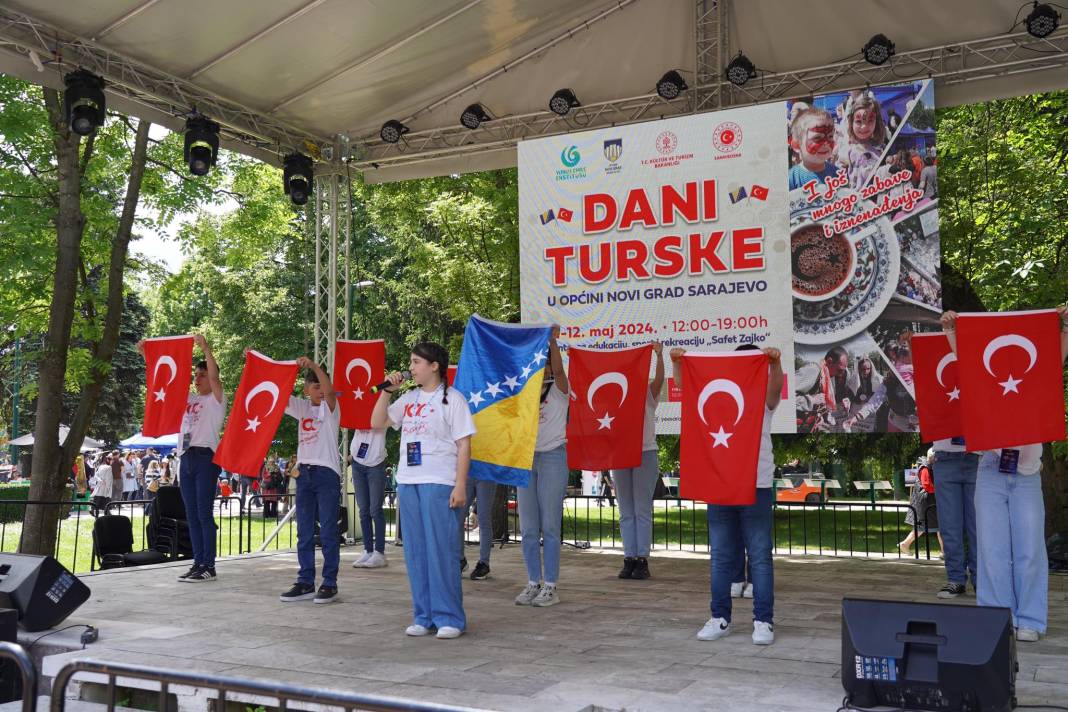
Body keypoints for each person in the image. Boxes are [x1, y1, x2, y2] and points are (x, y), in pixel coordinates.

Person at [941, 307, 1068, 642]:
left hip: (1026, 473)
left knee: (1029, 550)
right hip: (991, 469)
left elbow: (1056, 357)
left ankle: (1030, 619)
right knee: (992, 550)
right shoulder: (986, 378)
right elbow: (968, 361)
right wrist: (953, 330)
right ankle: (997, 619)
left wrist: (1064, 325)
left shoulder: (1039, 376)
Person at [672, 343, 784, 646]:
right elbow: (689, 388)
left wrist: (774, 364)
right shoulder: (720, 397)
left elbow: (776, 389)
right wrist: (678, 365)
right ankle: (719, 617)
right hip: (720, 483)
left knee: (759, 556)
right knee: (721, 556)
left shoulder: (762, 398)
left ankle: (763, 620)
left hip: (756, 484)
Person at [371, 342, 476, 640]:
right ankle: (424, 615)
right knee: (415, 552)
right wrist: (386, 391)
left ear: (434, 366)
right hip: (409, 480)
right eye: (411, 362)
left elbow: (464, 444)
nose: (411, 367)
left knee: (441, 550)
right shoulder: (408, 398)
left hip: (440, 480)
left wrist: (459, 484)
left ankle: (450, 617)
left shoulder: (453, 399)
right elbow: (377, 422)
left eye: (417, 362)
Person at [140, 334, 226, 583]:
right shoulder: (188, 399)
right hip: (185, 458)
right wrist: (146, 354)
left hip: (205, 458)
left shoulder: (217, 399)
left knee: (203, 513)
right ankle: (197, 562)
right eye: (195, 376)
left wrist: (205, 347)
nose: (197, 379)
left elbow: (214, 377)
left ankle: (208, 564)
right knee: (191, 514)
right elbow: (162, 382)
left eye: (202, 375)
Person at [278, 358, 342, 605]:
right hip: (303, 474)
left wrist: (315, 367)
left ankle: (329, 582)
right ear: (305, 390)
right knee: (304, 531)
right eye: (313, 388)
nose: (319, 392)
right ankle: (305, 580)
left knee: (328, 530)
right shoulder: (301, 407)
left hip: (326, 473)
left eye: (322, 388)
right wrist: (265, 366)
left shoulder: (331, 408)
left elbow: (329, 390)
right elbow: (279, 396)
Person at [515, 326, 569, 607]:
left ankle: (550, 586)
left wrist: (552, 342)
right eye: (540, 362)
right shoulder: (526, 392)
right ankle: (532, 582)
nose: (544, 367)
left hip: (552, 457)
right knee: (528, 527)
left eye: (546, 362)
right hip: (526, 459)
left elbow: (559, 372)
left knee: (549, 525)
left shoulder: (560, 389)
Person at [611, 342, 664, 580]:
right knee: (625, 509)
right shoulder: (616, 396)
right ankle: (628, 557)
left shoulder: (647, 392)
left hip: (645, 453)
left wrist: (659, 356)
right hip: (621, 454)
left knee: (641, 508)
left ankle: (642, 559)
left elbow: (660, 380)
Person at [929, 438, 979, 599]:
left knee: (978, 527)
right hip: (944, 458)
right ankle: (956, 579)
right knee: (950, 526)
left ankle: (981, 580)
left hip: (977, 456)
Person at [350, 417, 389, 569]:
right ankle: (368, 550)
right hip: (357, 462)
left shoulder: (382, 404)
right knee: (364, 510)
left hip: (376, 464)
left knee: (375, 510)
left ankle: (379, 552)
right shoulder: (358, 400)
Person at [787, 103, 840, 192]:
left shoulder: (837, 174)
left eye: (830, 136)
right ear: (797, 145)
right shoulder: (791, 178)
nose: (826, 143)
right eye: (817, 138)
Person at [842, 90, 888, 190]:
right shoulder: (847, 150)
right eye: (858, 121)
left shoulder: (881, 149)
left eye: (870, 120)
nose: (864, 127)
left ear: (877, 122)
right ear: (851, 122)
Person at [899, 453, 942, 556]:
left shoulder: (928, 466)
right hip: (926, 503)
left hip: (928, 502)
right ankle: (905, 544)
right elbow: (927, 486)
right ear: (932, 457)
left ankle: (944, 552)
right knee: (926, 527)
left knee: (937, 527)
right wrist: (941, 490)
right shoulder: (925, 468)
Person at [459, 471, 496, 579]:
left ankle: (484, 564)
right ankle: (460, 559)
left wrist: (475, 511)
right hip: (468, 470)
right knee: (458, 518)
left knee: (484, 519)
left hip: (487, 469)